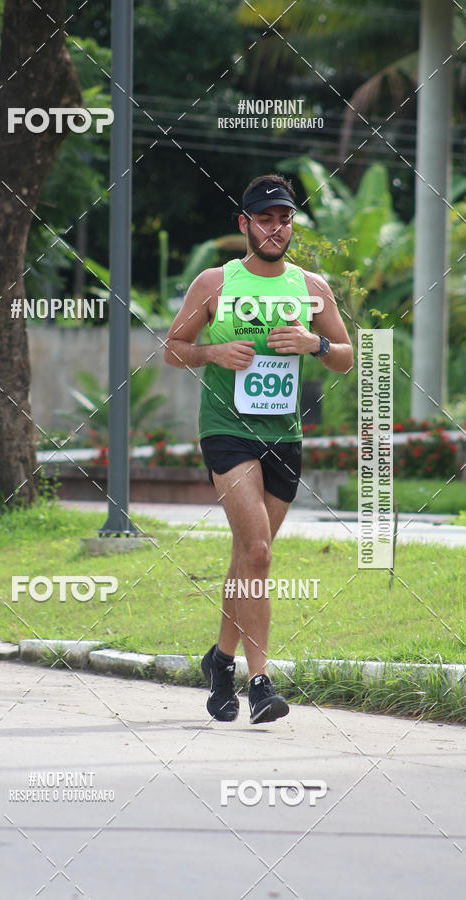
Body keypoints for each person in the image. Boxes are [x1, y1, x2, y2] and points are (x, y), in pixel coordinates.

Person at [163, 174, 354, 724]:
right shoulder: (214, 282)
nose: (277, 228)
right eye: (266, 218)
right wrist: (215, 353)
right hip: (228, 429)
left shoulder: (311, 286)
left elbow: (345, 356)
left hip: (284, 434)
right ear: (244, 224)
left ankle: (219, 660)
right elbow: (174, 349)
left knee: (248, 557)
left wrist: (314, 343)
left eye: (285, 218)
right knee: (260, 553)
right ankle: (261, 681)